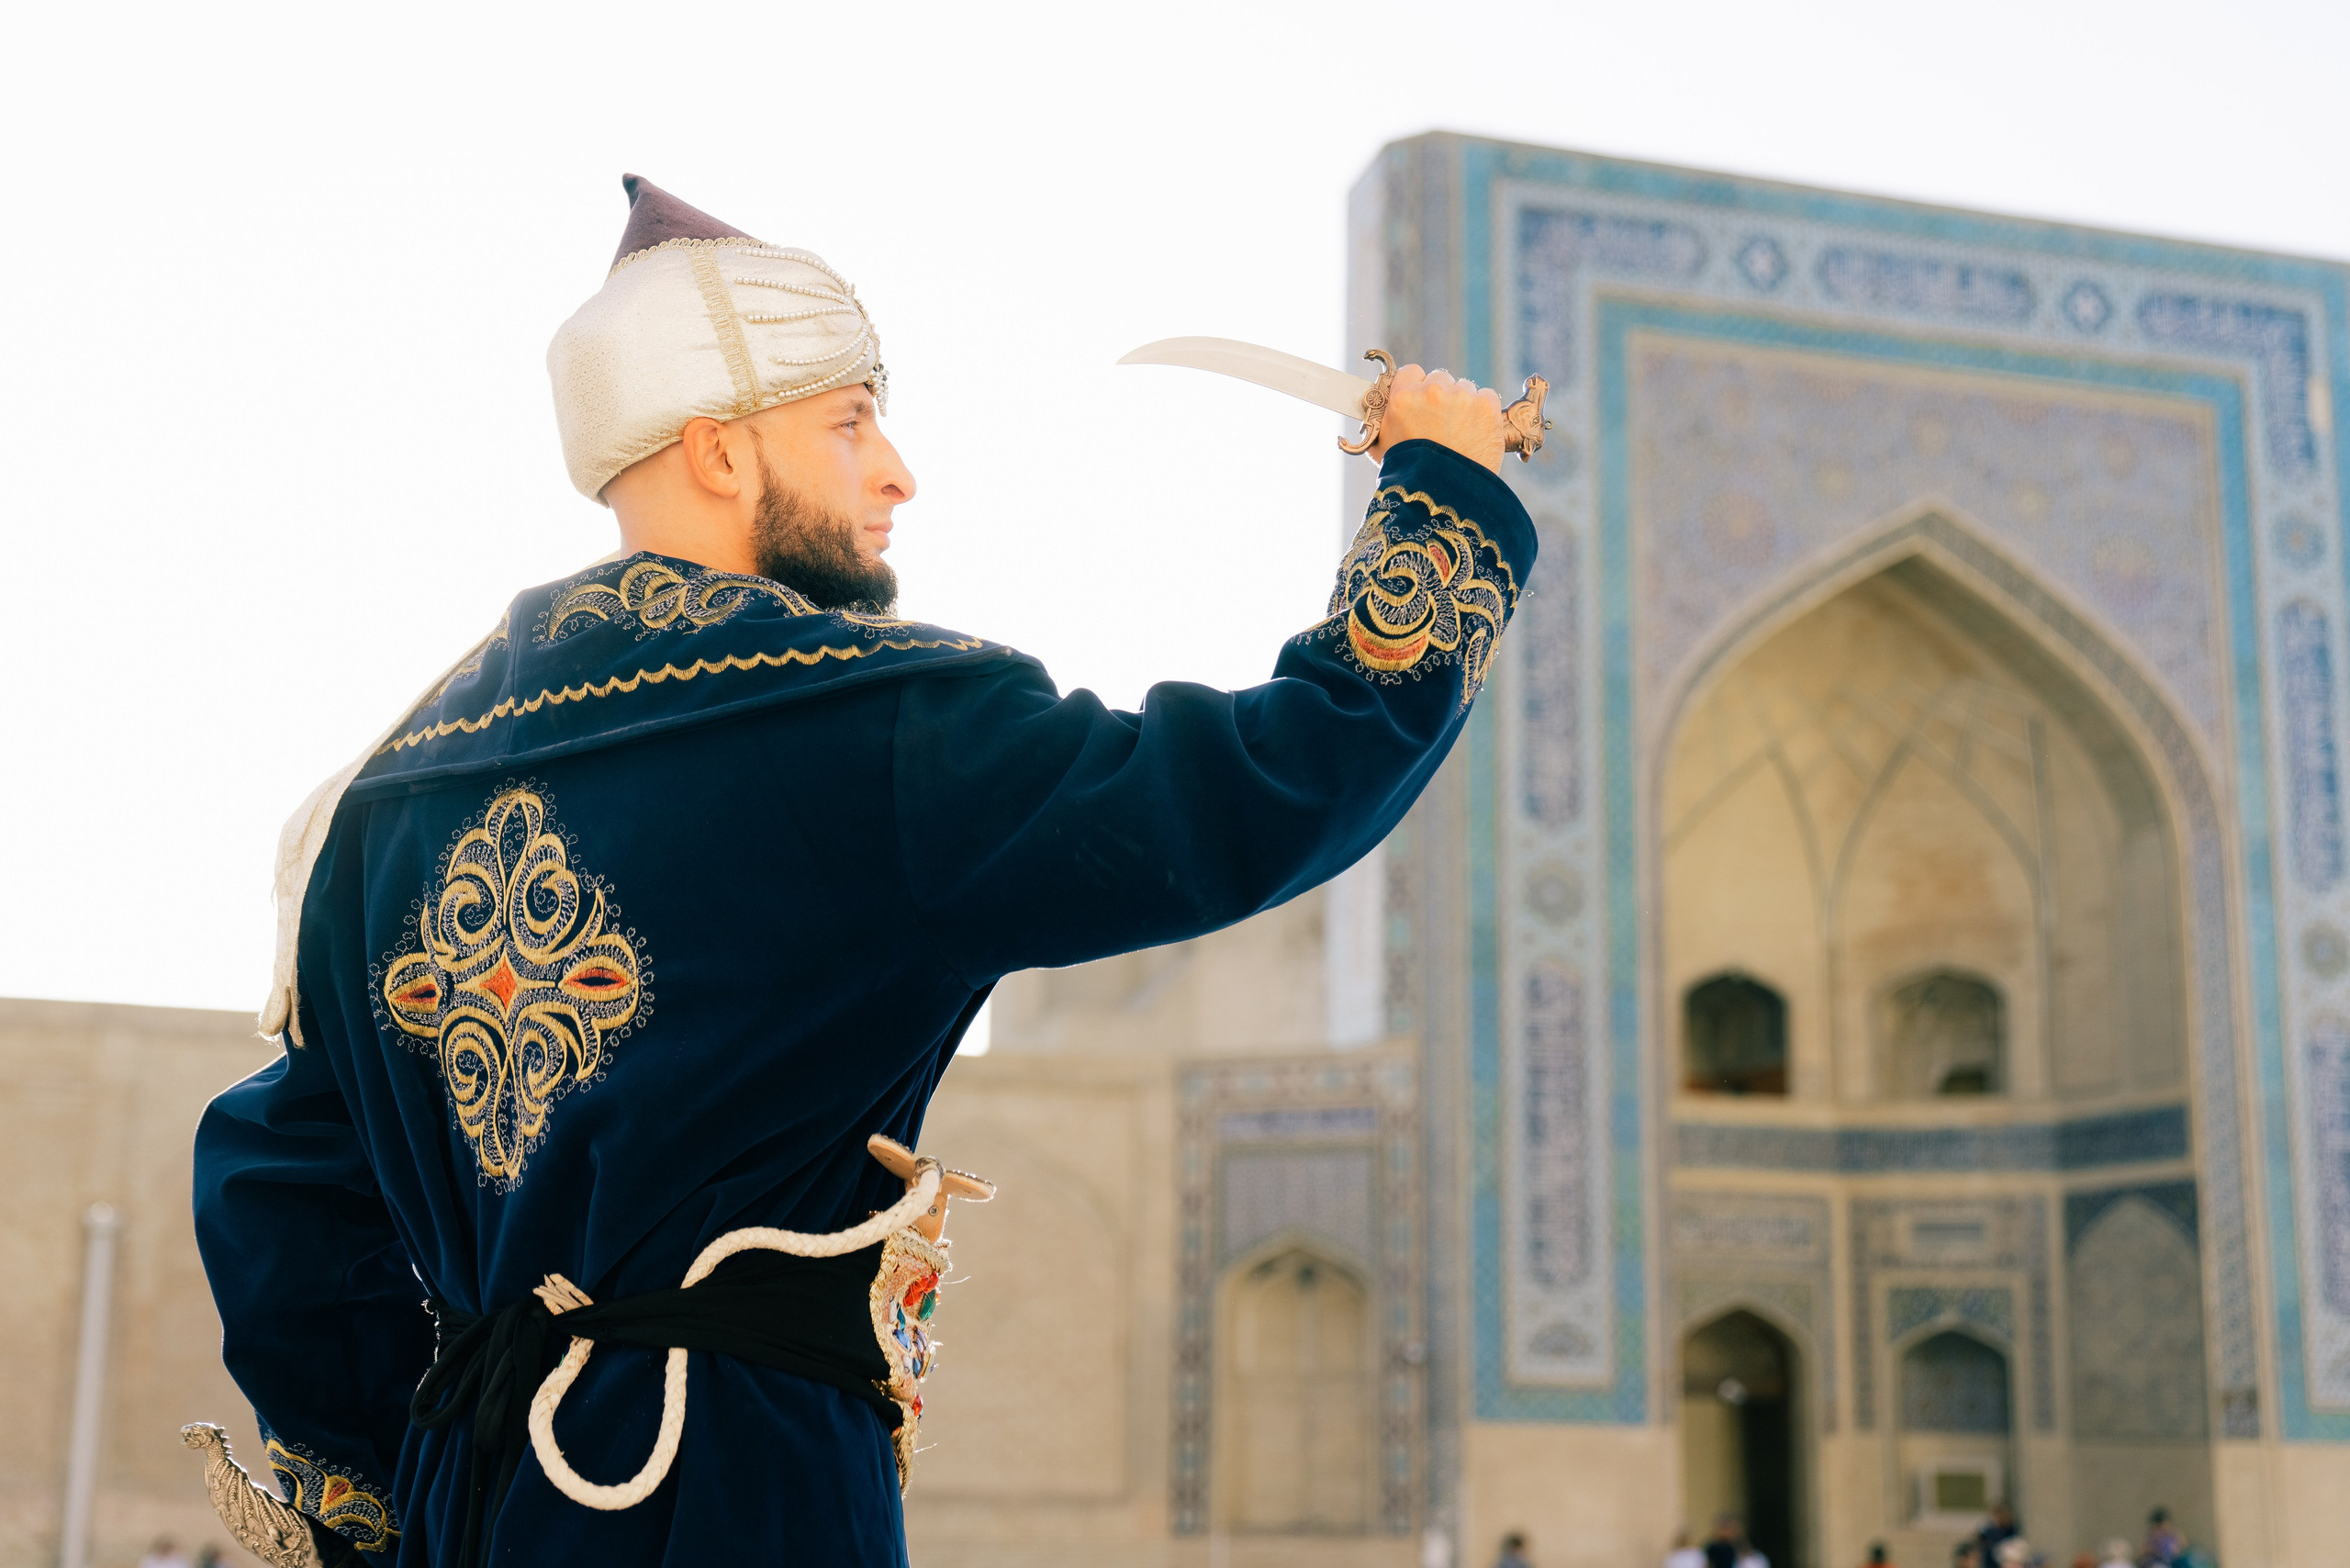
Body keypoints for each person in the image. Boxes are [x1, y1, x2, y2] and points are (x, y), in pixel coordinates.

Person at [190, 176, 1537, 1568]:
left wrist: (400, 1485)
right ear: (718, 453)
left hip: (478, 1509)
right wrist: (1444, 492)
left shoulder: (377, 802)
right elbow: (1263, 787)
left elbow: (273, 1190)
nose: (897, 471)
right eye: (849, 423)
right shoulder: (864, 725)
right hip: (743, 1494)